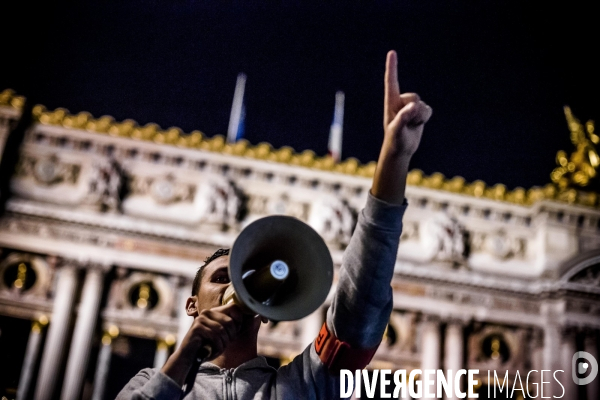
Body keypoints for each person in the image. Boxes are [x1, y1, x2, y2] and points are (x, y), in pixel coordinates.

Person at [116, 50, 432, 399]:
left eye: (245, 277)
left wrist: (395, 157)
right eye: (222, 277)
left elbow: (359, 307)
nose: (234, 285)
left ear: (264, 309)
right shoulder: (149, 383)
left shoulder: (302, 384)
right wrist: (183, 358)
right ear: (192, 305)